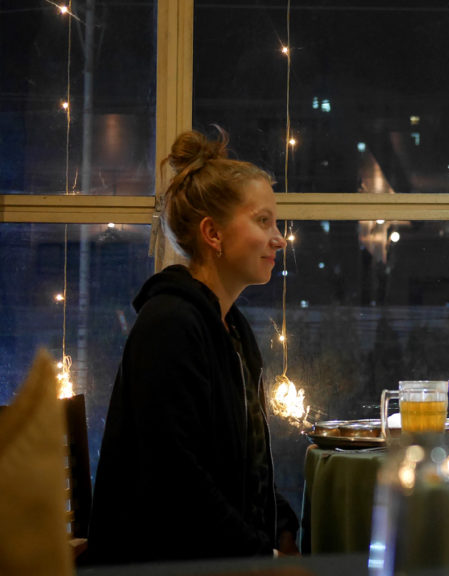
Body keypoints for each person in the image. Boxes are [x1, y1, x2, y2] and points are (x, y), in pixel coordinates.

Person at [86, 128, 299, 564]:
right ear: (213, 234)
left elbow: (246, 468)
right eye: (263, 221)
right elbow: (176, 486)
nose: (278, 238)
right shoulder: (170, 326)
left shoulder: (231, 328)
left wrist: (283, 529)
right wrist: (266, 558)